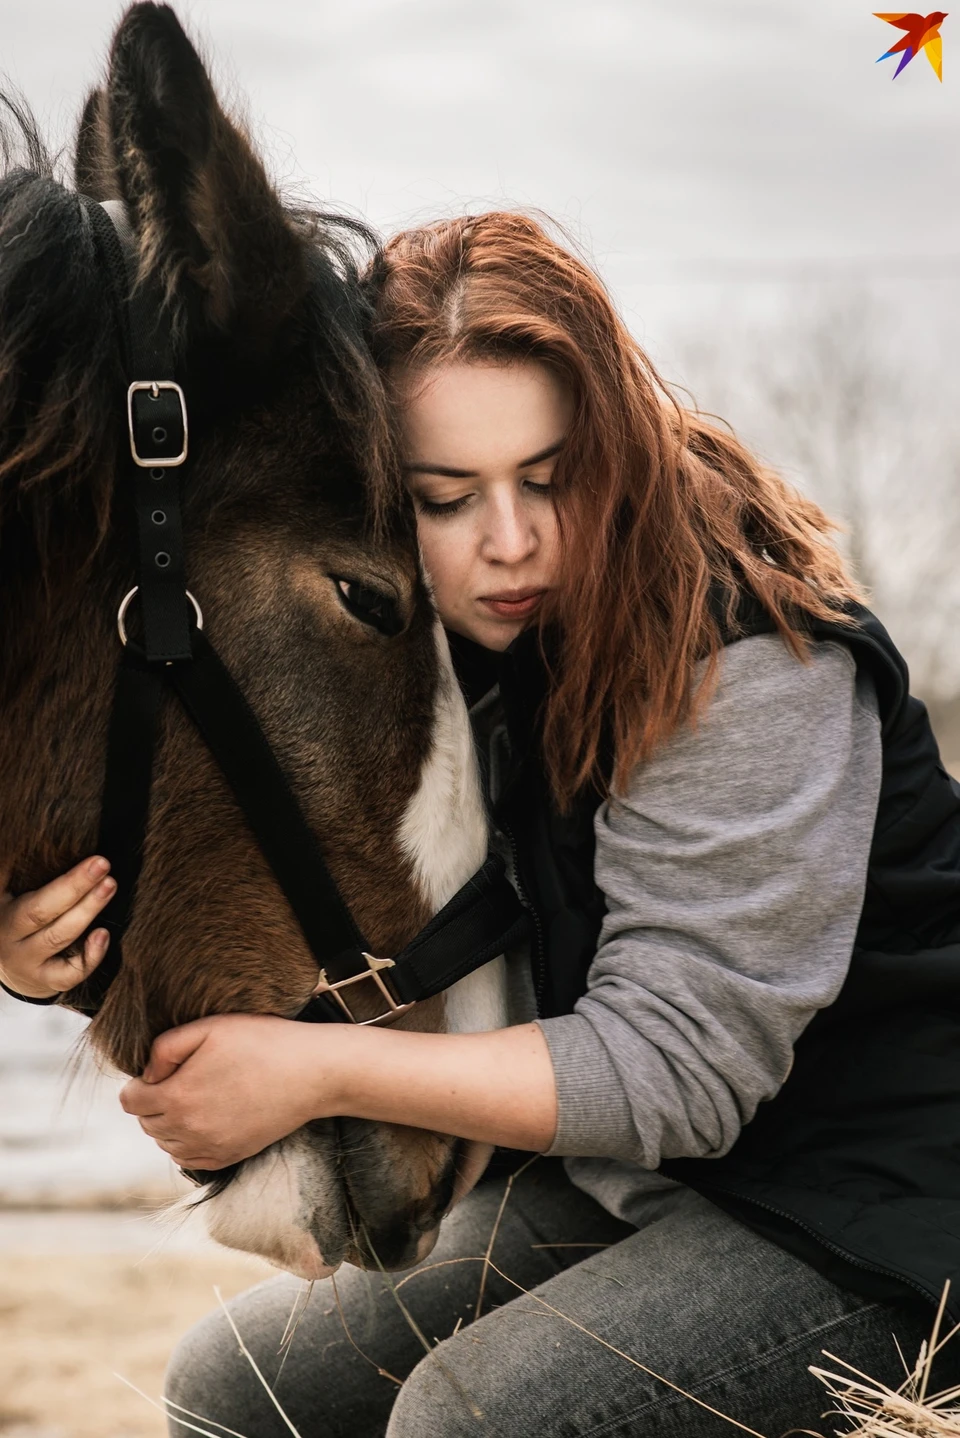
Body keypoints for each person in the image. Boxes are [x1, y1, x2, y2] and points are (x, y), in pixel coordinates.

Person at [3, 212, 960, 1438]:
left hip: (883, 1216)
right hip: (650, 1189)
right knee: (233, 1384)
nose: (509, 544)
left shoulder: (747, 657)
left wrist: (318, 1066)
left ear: (611, 442)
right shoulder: (451, 645)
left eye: (549, 479)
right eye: (444, 498)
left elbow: (684, 1066)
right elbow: (346, 894)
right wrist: (54, 957)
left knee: (472, 1419)